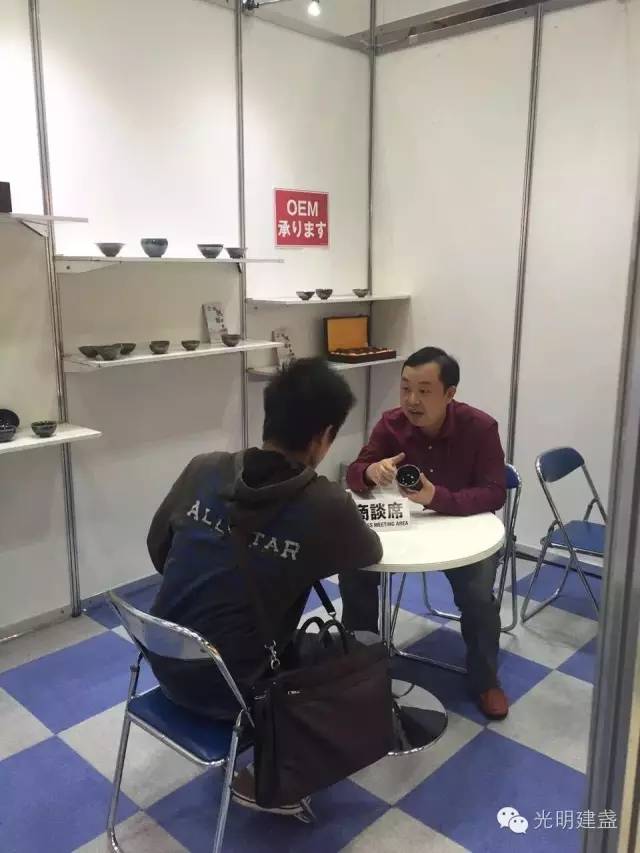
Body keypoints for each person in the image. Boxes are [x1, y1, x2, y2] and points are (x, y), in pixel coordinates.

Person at [147, 357, 382, 817]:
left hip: (163, 661)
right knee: (349, 650)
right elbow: (368, 552)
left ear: (268, 416)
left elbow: (159, 549)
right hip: (235, 694)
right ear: (323, 437)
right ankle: (277, 780)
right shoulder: (323, 502)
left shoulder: (203, 469)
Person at [341, 346, 508, 720]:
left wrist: (437, 497)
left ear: (450, 394)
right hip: (406, 530)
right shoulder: (391, 424)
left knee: (478, 597)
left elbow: (495, 492)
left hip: (464, 532)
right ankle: (360, 669)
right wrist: (370, 472)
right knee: (353, 569)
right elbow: (354, 472)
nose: (412, 401)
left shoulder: (480, 428)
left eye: (424, 390)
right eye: (405, 389)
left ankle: (485, 680)